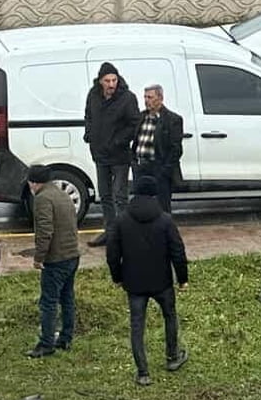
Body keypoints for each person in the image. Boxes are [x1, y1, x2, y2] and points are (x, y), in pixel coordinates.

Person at [104, 176, 189, 386]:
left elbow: (112, 253)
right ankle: (172, 357)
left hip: (134, 284)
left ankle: (143, 372)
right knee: (170, 316)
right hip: (162, 282)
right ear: (154, 194)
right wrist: (182, 279)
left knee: (137, 325)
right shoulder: (165, 220)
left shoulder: (122, 219)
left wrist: (117, 277)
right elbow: (178, 251)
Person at [84, 62, 141, 247]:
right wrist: (89, 134)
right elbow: (88, 116)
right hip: (100, 154)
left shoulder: (127, 98)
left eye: (114, 80)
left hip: (119, 156)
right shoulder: (93, 95)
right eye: (107, 80)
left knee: (119, 196)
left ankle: (124, 234)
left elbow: (134, 124)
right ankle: (109, 232)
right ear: (100, 81)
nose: (111, 84)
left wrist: (119, 141)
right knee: (105, 196)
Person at [28, 165, 80, 358]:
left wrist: (39, 257)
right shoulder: (62, 194)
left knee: (48, 302)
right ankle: (66, 338)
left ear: (34, 183)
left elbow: (45, 232)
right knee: (67, 298)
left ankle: (46, 343)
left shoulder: (42, 199)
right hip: (72, 255)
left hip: (56, 259)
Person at [131, 84, 184, 213]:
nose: (146, 101)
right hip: (141, 166)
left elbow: (176, 149)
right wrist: (133, 162)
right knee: (142, 205)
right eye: (145, 97)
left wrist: (165, 170)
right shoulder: (141, 117)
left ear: (160, 98)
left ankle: (163, 232)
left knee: (162, 207)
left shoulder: (172, 119)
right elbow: (135, 140)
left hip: (159, 167)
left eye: (150, 97)